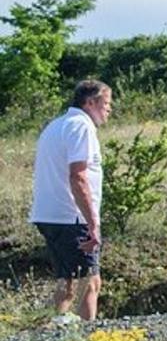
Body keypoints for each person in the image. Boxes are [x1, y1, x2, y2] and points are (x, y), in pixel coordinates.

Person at [29, 80, 113, 321]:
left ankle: (57, 333)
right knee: (90, 282)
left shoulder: (56, 125)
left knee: (67, 282)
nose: (109, 110)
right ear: (90, 102)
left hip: (48, 214)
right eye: (105, 104)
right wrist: (92, 223)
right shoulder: (81, 127)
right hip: (71, 215)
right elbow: (78, 176)